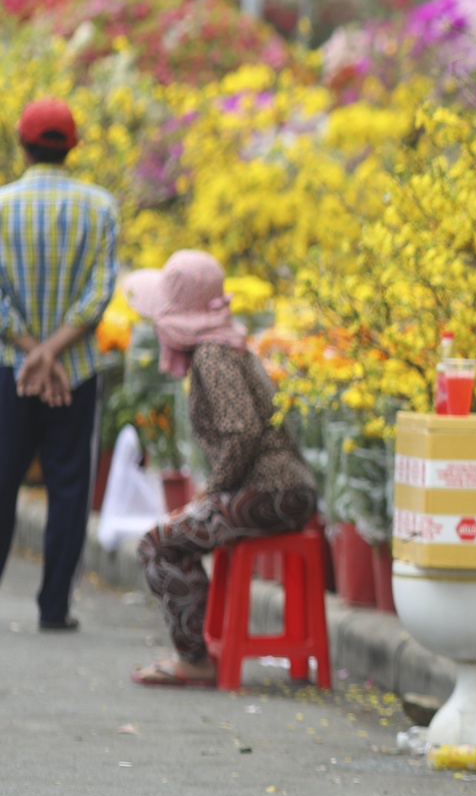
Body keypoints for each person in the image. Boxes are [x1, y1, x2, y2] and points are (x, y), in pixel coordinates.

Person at [129, 250, 318, 687]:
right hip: (279, 491)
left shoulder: (213, 355)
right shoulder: (224, 345)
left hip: (272, 492)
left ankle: (194, 658)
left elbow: (243, 432)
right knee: (171, 535)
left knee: (158, 544)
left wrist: (213, 491)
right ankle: (198, 649)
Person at [0, 99, 119, 632]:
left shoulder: (1, 206)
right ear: (71, 147)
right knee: (69, 487)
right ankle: (53, 609)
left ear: (22, 146)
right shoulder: (100, 208)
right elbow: (99, 297)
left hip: (10, 368)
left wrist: (31, 351)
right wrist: (54, 353)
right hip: (75, 372)